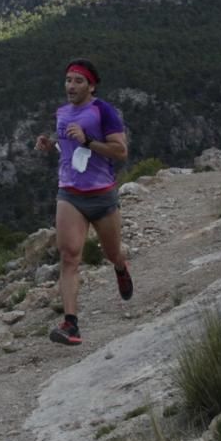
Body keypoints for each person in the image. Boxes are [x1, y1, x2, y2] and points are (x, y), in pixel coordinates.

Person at [35, 58, 133, 346]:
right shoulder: (62, 113)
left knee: (112, 252)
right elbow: (68, 149)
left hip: (102, 195)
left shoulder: (103, 111)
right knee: (69, 257)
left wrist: (89, 140)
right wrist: (50, 144)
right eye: (68, 80)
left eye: (78, 81)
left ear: (91, 86)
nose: (71, 85)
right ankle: (70, 324)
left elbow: (120, 152)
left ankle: (120, 267)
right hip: (70, 194)